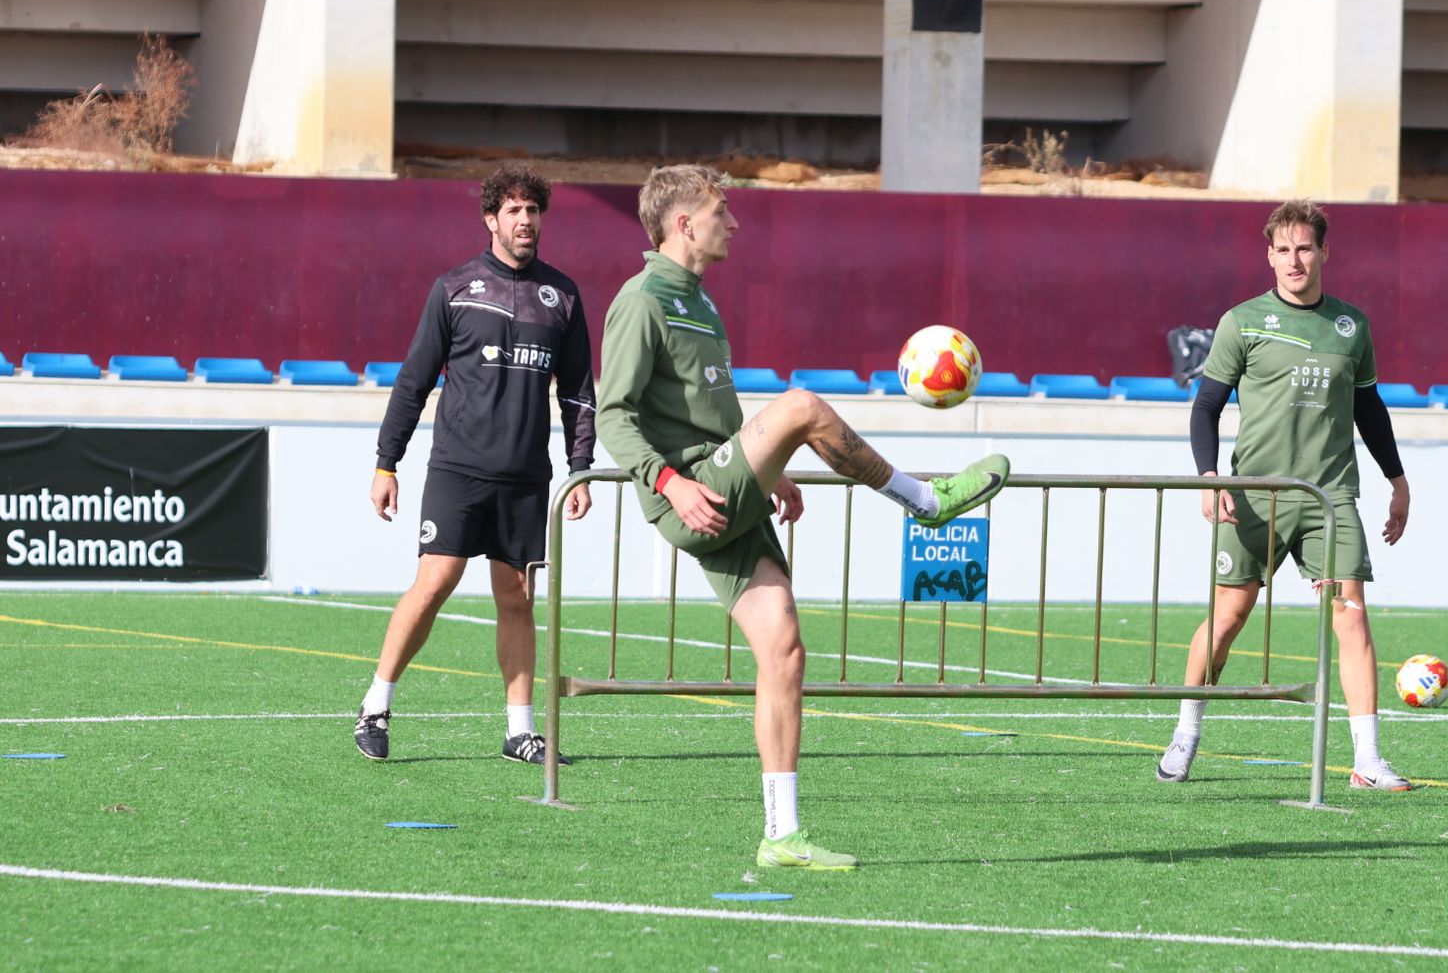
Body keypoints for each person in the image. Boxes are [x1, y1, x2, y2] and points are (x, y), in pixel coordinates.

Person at [596, 165, 1010, 870]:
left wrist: (771, 470)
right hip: (691, 491)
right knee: (802, 404)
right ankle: (925, 501)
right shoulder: (643, 300)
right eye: (721, 210)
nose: (734, 222)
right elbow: (613, 415)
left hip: (723, 485)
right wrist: (672, 481)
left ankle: (780, 835)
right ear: (684, 224)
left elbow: (708, 411)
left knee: (784, 650)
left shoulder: (700, 300)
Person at [1157, 199, 1413, 791]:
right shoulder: (1241, 321)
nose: (1294, 260)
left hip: (1329, 498)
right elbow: (1206, 407)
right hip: (1253, 497)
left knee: (1352, 619)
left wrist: (1396, 479)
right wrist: (1208, 476)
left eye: (1305, 248)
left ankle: (1367, 761)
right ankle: (1186, 732)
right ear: (1268, 255)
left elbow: (1370, 409)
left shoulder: (1352, 326)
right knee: (1227, 621)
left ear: (1325, 252)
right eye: (1283, 249)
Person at [354, 164, 596, 766]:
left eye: (532, 211)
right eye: (512, 211)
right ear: (491, 219)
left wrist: (581, 466)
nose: (524, 221)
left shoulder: (562, 296)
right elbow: (413, 382)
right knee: (435, 582)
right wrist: (387, 463)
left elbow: (578, 391)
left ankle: (520, 731)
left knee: (516, 599)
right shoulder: (455, 287)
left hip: (525, 478)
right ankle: (375, 706)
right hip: (457, 471)